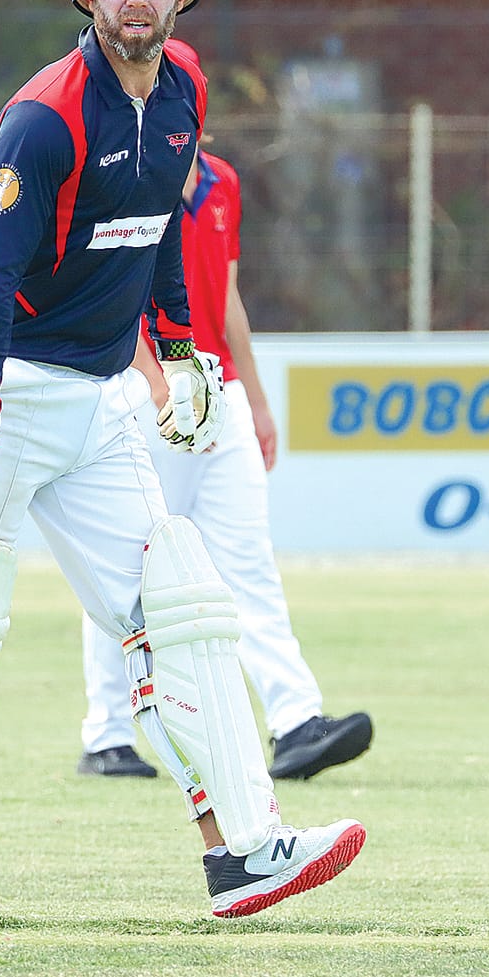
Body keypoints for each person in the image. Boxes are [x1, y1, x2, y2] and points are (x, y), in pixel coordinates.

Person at [0, 0, 364, 925]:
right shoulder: (42, 117)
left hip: (99, 402)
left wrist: (176, 348)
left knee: (178, 615)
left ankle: (242, 853)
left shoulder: (179, 94)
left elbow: (158, 229)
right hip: (0, 395)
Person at [77, 148, 374, 782]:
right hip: (147, 389)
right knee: (124, 570)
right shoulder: (121, 178)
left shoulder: (222, 182)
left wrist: (256, 400)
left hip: (222, 390)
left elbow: (228, 296)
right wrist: (158, 385)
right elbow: (106, 296)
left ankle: (296, 721)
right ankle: (106, 732)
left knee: (248, 560)